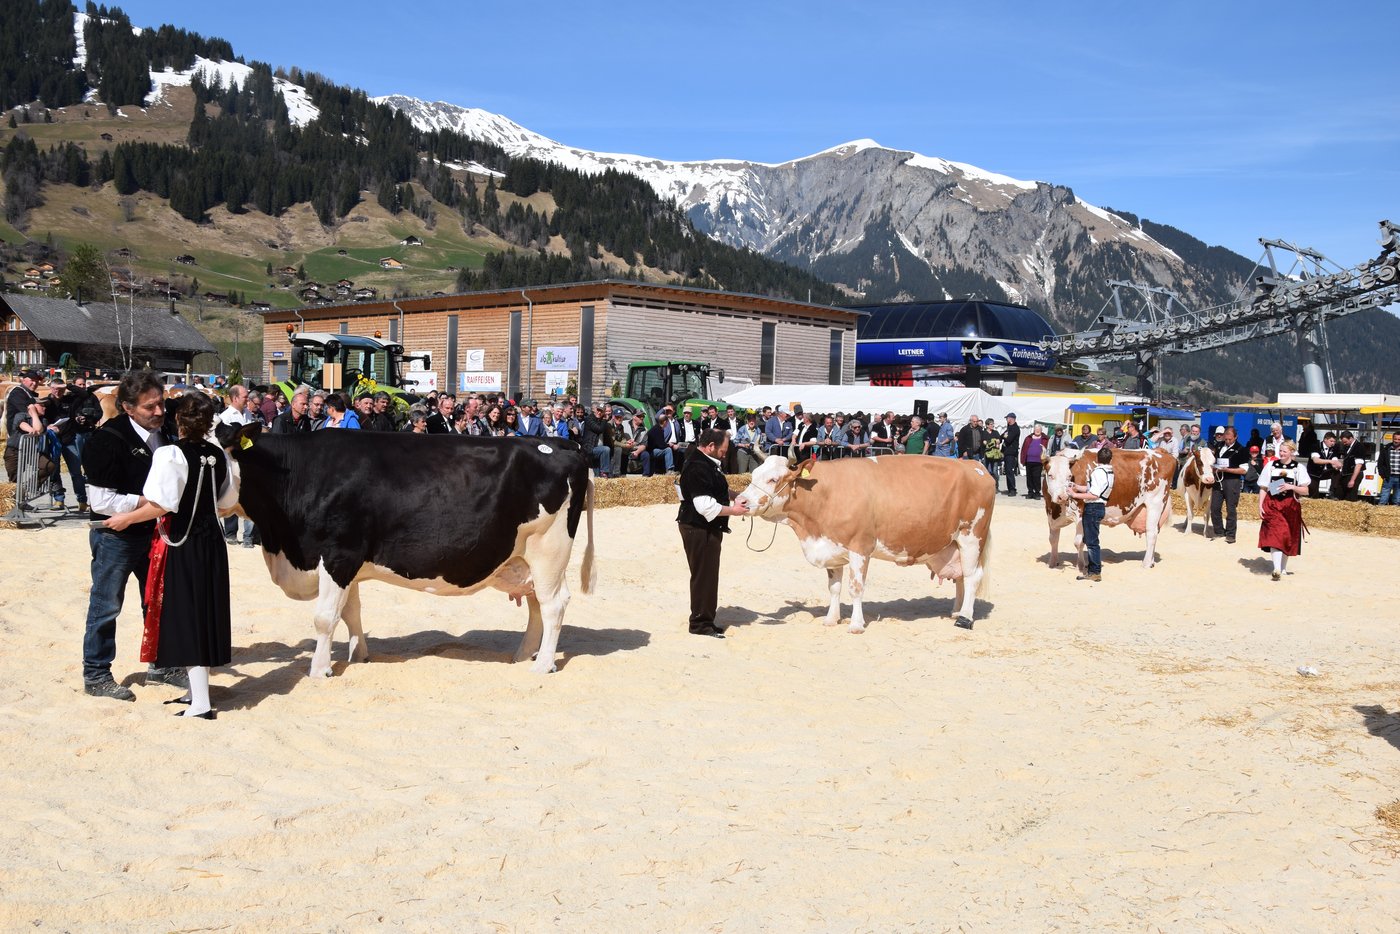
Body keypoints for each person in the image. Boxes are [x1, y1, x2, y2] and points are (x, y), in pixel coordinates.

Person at [102, 393, 238, 719]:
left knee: (185, 615)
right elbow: (226, 503)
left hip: (182, 541)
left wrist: (125, 518)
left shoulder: (171, 454)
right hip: (212, 543)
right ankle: (195, 694)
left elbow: (161, 504)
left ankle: (202, 703)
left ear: (180, 420)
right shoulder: (218, 454)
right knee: (203, 611)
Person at [80, 371, 186, 700]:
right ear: (127, 407)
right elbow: (101, 500)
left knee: (157, 600)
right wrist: (152, 502)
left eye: (161, 404)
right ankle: (96, 674)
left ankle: (161, 664)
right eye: (149, 407)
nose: (159, 412)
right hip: (116, 535)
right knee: (107, 604)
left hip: (156, 532)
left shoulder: (166, 431)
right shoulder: (107, 441)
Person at [676, 429, 749, 638]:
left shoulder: (706, 463)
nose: (725, 455)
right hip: (698, 528)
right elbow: (705, 506)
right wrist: (734, 511)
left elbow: (715, 489)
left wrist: (737, 495)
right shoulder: (698, 466)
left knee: (708, 575)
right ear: (710, 447)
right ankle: (700, 624)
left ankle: (706, 619)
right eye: (723, 451)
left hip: (704, 528)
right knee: (703, 576)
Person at [1255, 441, 1308, 581]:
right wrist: (1260, 505)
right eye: (1281, 451)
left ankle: (1283, 568)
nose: (1282, 453)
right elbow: (1263, 487)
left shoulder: (1299, 468)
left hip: (1290, 505)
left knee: (1287, 535)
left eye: (1285, 451)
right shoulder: (1271, 466)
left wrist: (1291, 487)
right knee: (1276, 533)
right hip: (1272, 504)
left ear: (1292, 452)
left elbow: (1306, 490)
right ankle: (1276, 568)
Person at [216, 384, 257, 547]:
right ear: (234, 398)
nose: (248, 400)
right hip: (231, 460)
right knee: (231, 493)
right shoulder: (226, 416)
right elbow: (224, 440)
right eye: (245, 397)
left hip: (248, 461)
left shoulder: (248, 414)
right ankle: (231, 533)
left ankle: (249, 536)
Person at [1069, 447, 1115, 582]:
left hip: (1093, 506)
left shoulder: (1097, 472)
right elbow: (1094, 489)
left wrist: (1074, 494)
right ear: (1110, 459)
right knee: (1092, 540)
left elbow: (1094, 494)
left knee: (1092, 542)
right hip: (1100, 506)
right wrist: (1077, 487)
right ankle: (1093, 569)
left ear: (1096, 459)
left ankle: (1094, 572)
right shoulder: (1109, 471)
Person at [1210, 426, 1249, 543]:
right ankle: (1219, 531)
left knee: (1231, 508)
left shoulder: (1242, 450)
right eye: (1225, 439)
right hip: (1218, 479)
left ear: (1235, 437)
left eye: (1230, 439)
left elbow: (1243, 470)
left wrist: (1227, 470)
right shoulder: (1219, 446)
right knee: (1215, 507)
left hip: (1232, 481)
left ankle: (1231, 534)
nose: (1227, 441)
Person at [645, 410, 682, 475]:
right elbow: (661, 445)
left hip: (652, 449)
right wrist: (671, 445)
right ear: (665, 422)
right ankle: (670, 470)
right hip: (650, 451)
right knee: (668, 450)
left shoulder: (657, 428)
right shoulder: (658, 430)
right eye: (667, 422)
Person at [1307, 431, 1340, 498]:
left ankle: (1332, 492)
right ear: (1325, 439)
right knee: (1314, 494)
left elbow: (1334, 460)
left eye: (1334, 441)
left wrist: (1337, 465)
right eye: (1331, 441)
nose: (1333, 443)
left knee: (1337, 473)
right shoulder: (1316, 446)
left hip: (1325, 471)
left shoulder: (1334, 448)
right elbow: (1316, 460)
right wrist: (1330, 461)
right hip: (1314, 472)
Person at [1332, 430, 1363, 501]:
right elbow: (1335, 453)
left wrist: (1352, 480)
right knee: (1339, 494)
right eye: (1343, 442)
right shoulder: (1347, 446)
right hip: (1345, 474)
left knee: (1350, 497)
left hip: (1354, 474)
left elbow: (1358, 465)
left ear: (1351, 438)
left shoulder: (1359, 447)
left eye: (1345, 442)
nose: (1344, 443)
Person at [1020, 424, 1049, 500]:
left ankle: (1037, 493)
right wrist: (1023, 459)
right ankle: (1030, 492)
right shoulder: (1028, 438)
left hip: (1038, 461)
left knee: (1036, 477)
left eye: (1039, 429)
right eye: (1036, 429)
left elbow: (1048, 449)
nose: (1037, 430)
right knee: (1029, 477)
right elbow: (1023, 449)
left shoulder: (1045, 439)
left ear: (1041, 430)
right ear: (1033, 430)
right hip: (1029, 460)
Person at [1377, 432, 1400, 506]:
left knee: (1397, 498)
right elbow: (1380, 463)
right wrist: (1382, 475)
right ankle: (1380, 513)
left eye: (1399, 439)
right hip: (1388, 477)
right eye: (1395, 439)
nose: (1396, 441)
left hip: (1399, 477)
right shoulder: (1386, 449)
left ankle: (1394, 514)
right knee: (1384, 497)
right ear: (1392, 439)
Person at [1001, 413, 1022, 495]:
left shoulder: (1015, 429)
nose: (1006, 420)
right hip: (1006, 452)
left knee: (1010, 471)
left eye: (1007, 418)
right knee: (1007, 471)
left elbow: (1009, 439)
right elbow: (1002, 435)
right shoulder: (1009, 428)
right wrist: (1002, 436)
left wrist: (1004, 436)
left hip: (1011, 453)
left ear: (1011, 419)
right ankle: (1010, 488)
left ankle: (1012, 489)